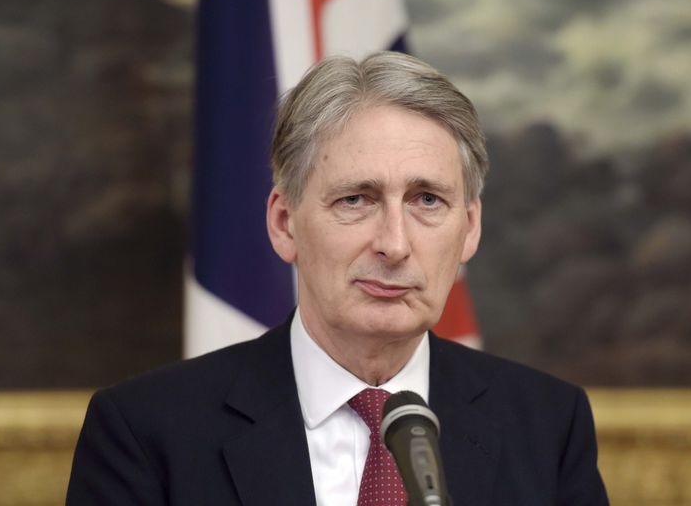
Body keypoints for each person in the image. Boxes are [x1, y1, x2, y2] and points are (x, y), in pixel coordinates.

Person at [66, 51, 609, 505]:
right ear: (284, 223)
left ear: (469, 228)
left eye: (427, 200)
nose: (395, 244)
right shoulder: (145, 432)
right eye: (356, 199)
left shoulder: (547, 425)